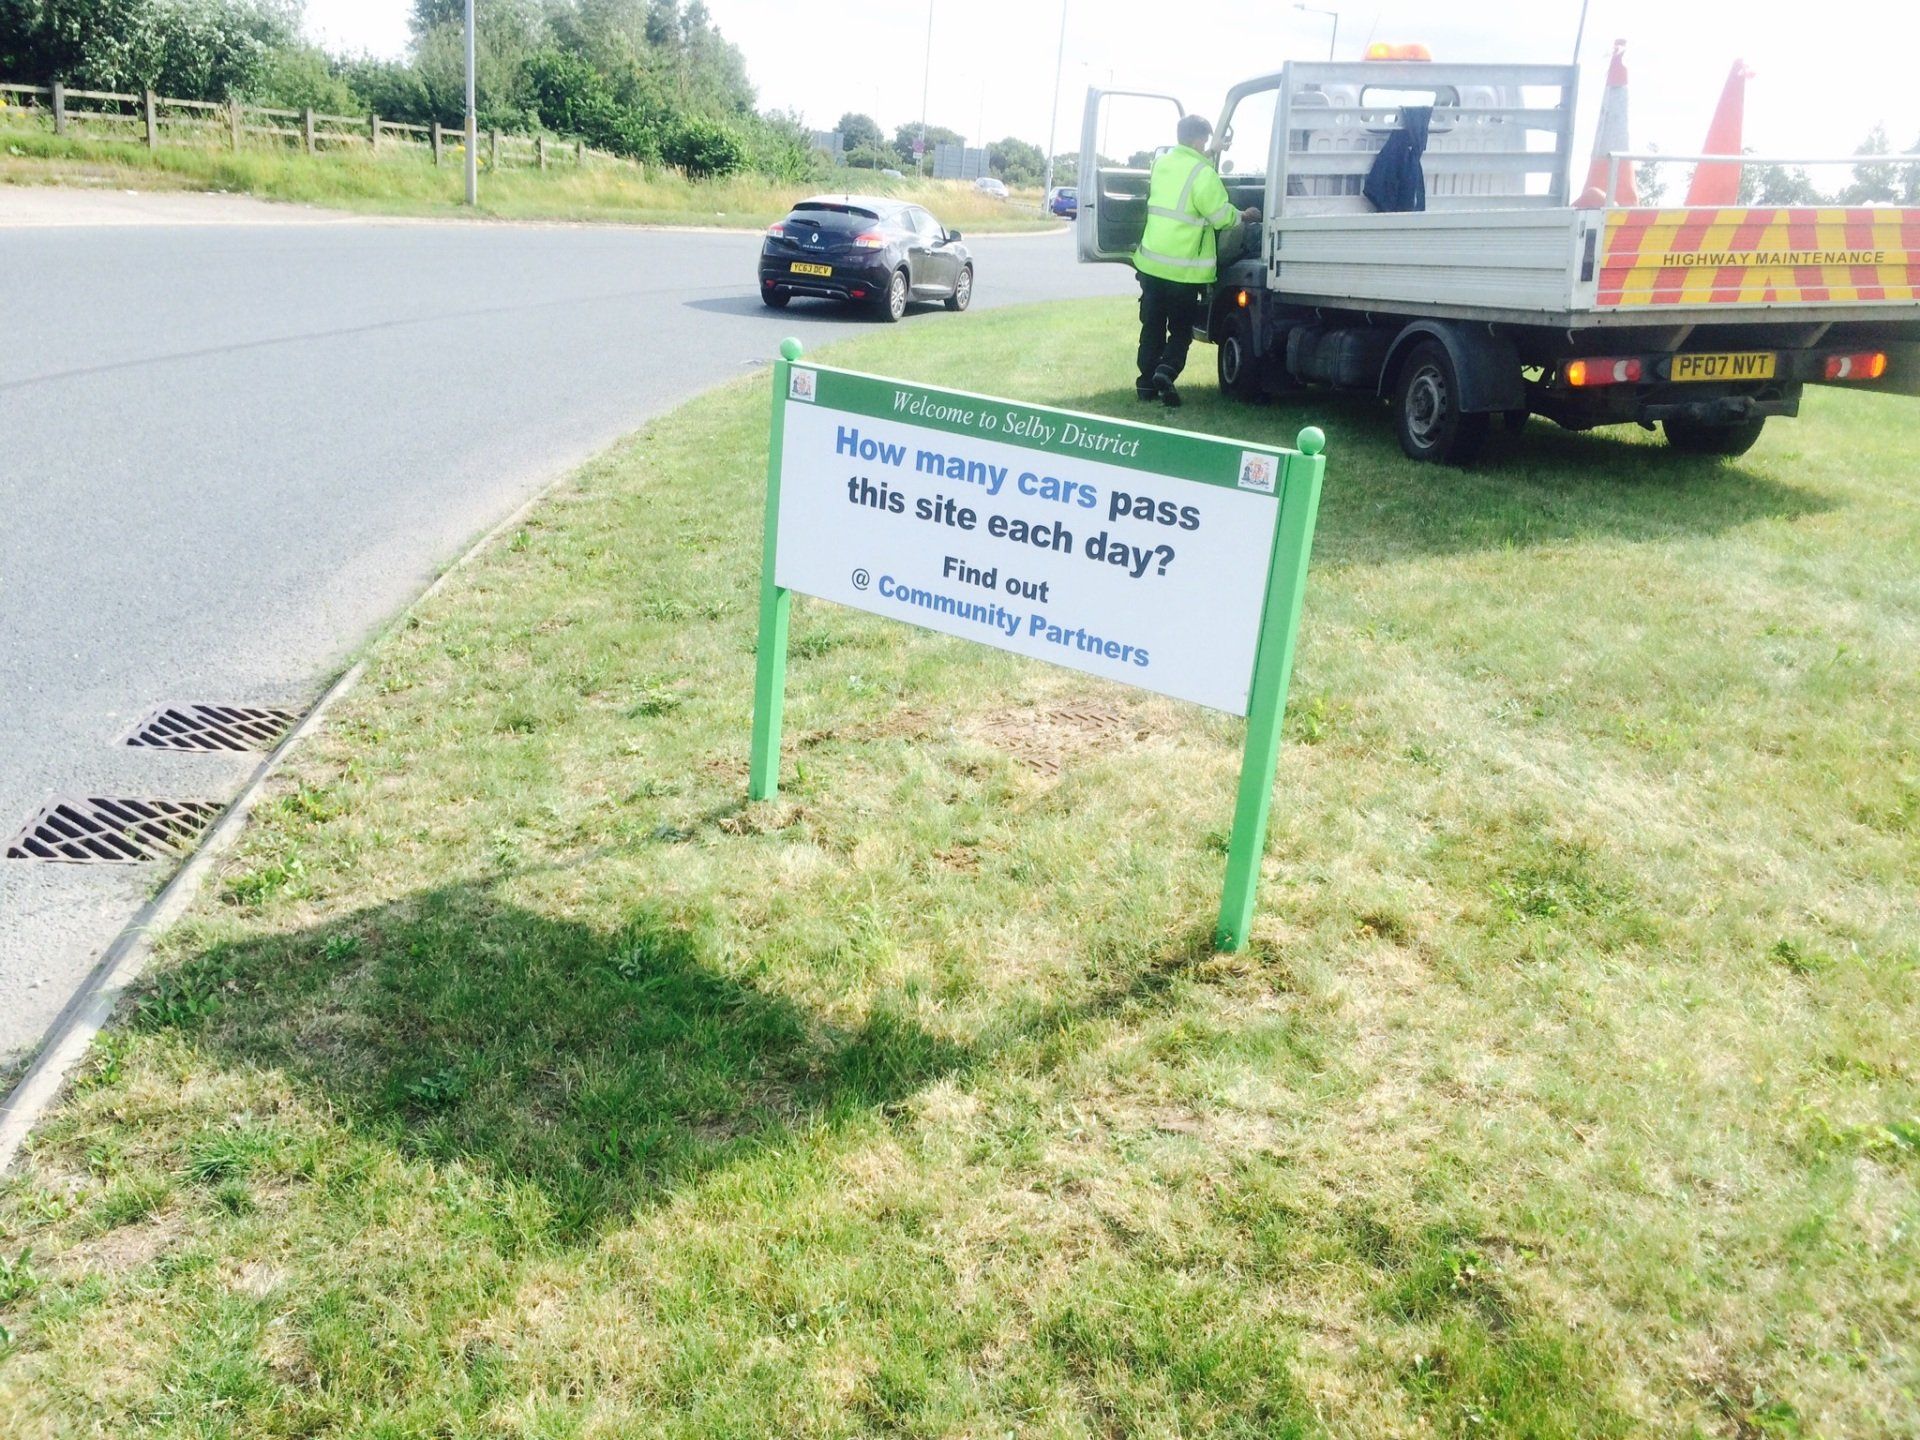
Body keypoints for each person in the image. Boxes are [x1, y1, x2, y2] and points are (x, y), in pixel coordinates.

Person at [1133, 114, 1258, 407]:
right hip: (1183, 270)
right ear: (1200, 139)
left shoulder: (1161, 164)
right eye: (1205, 141)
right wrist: (1243, 215)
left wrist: (1213, 151)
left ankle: (1145, 385)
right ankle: (1166, 370)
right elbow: (1219, 216)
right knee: (1180, 329)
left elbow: (1186, 172)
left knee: (1151, 326)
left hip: (1151, 265)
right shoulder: (1204, 174)